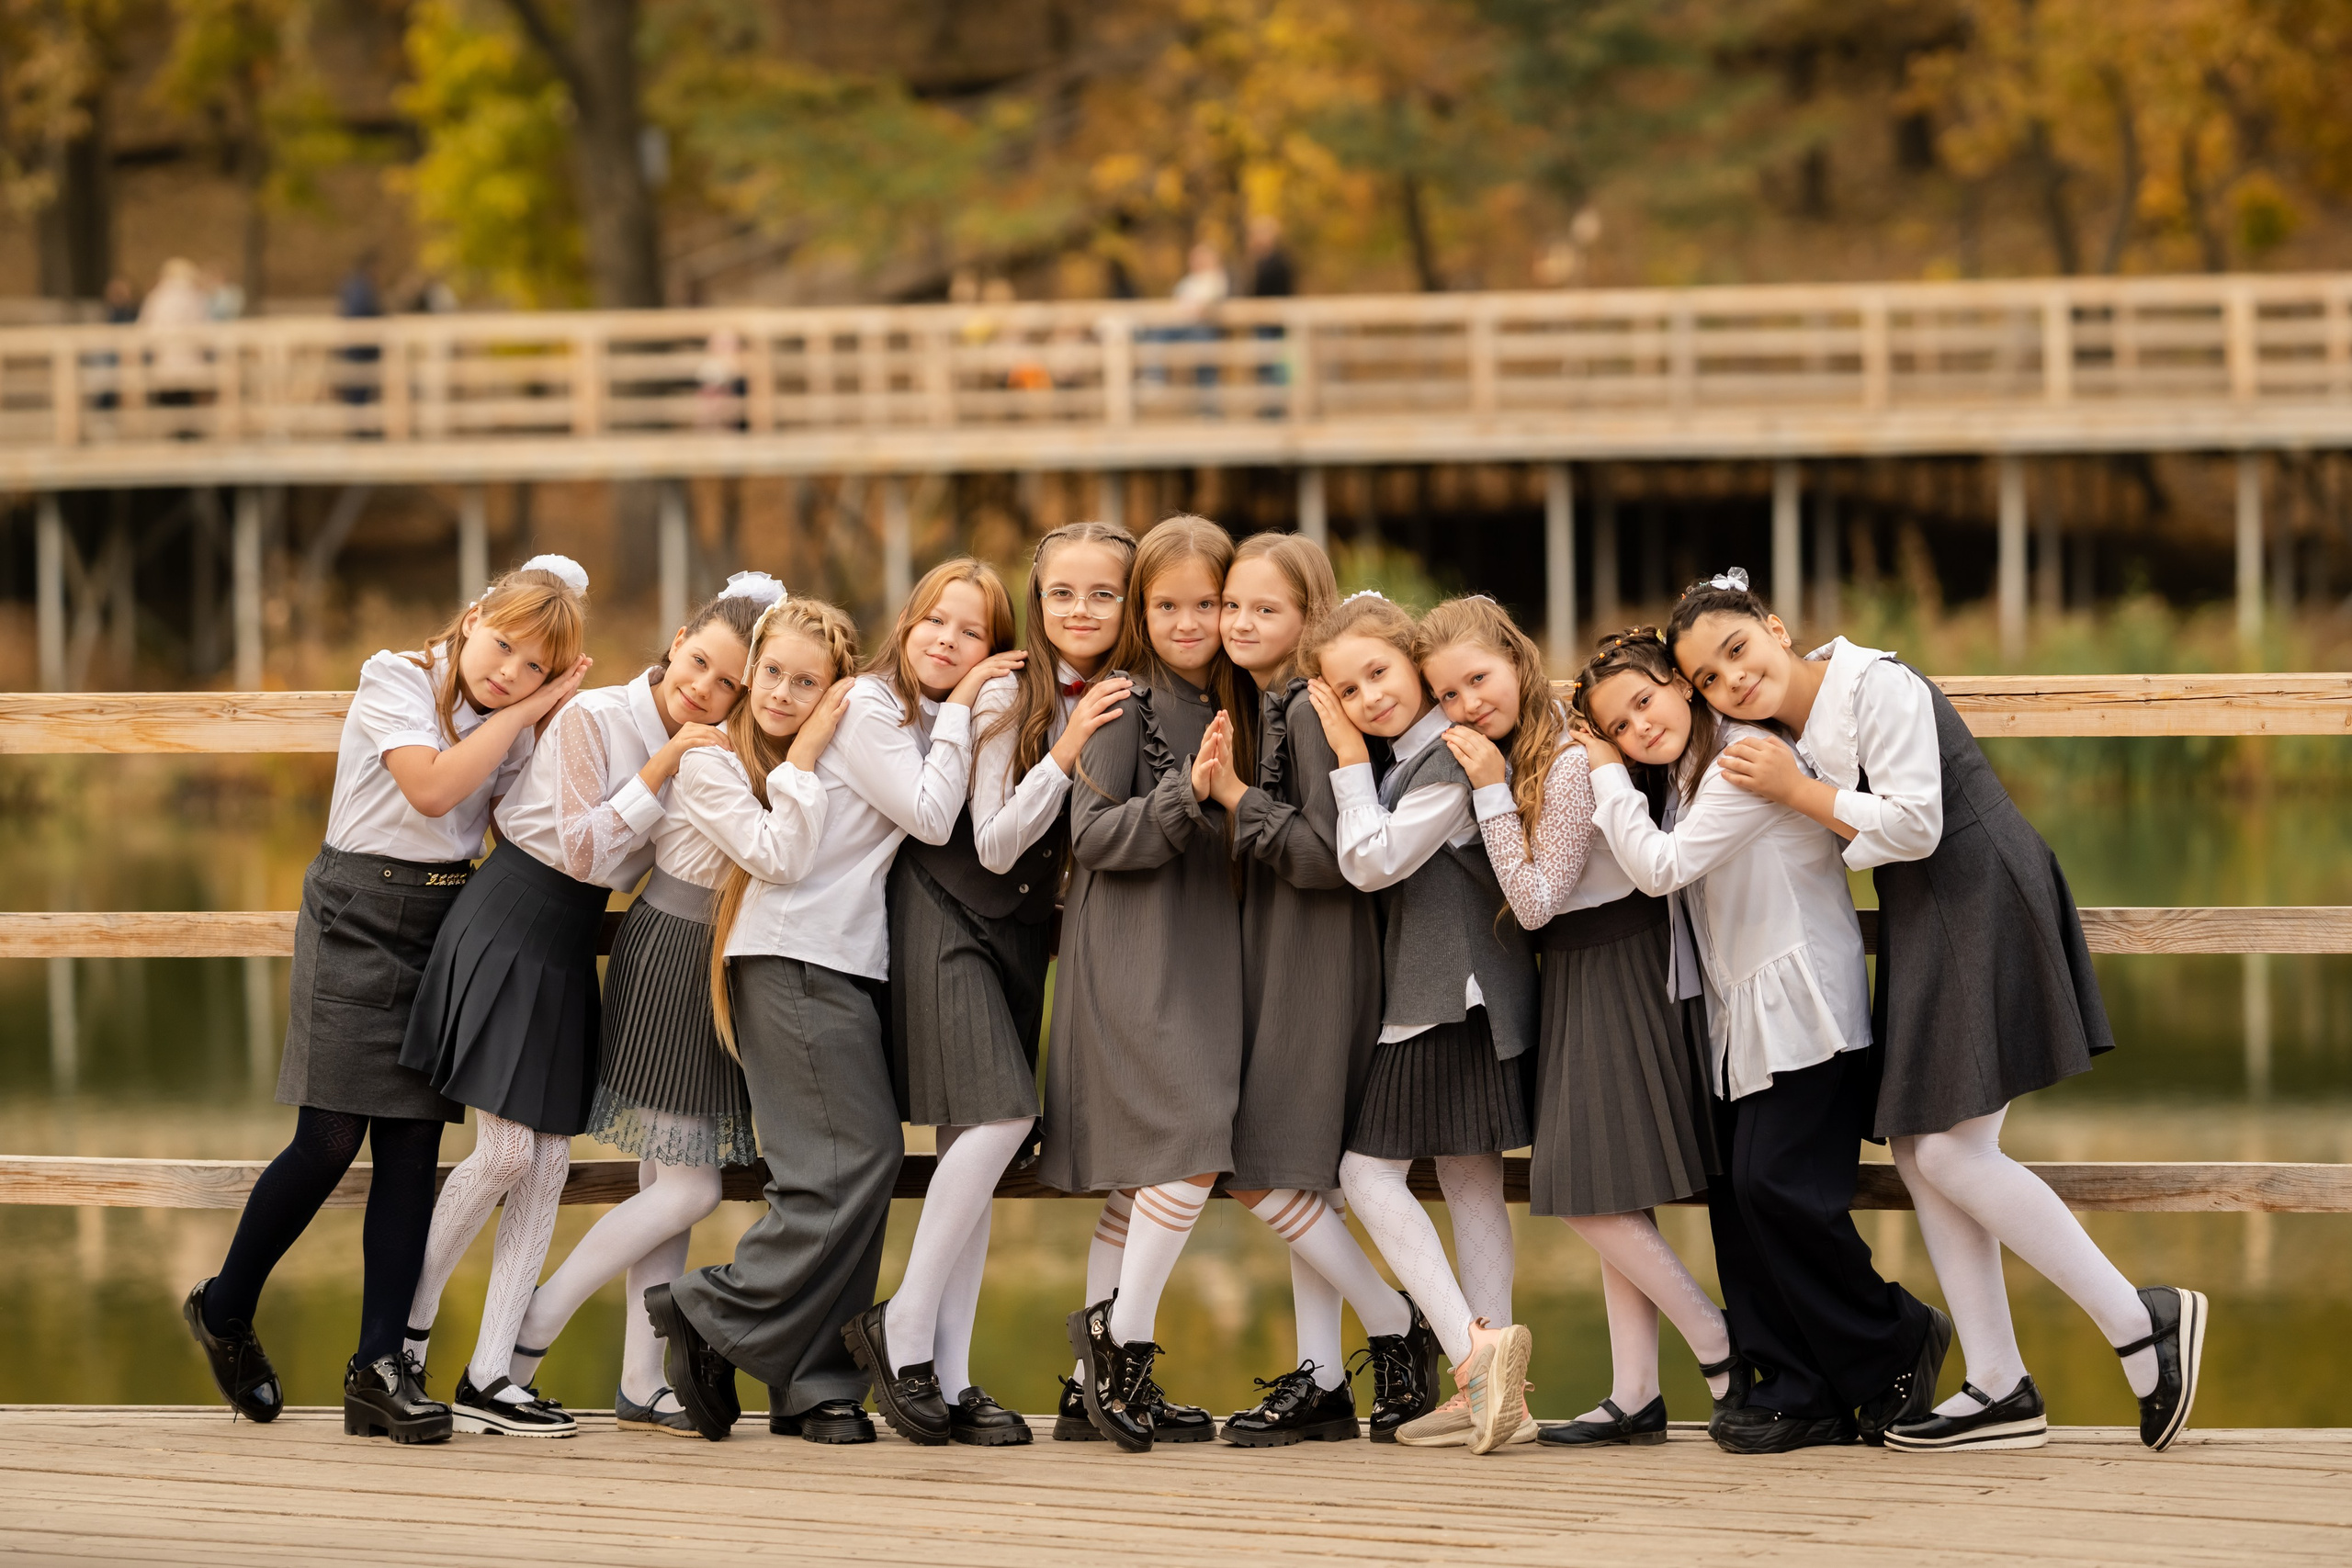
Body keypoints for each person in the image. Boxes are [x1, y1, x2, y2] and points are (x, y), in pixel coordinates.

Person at [1669, 571, 2208, 1454]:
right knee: (1923, 1152)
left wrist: (1791, 790)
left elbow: (1917, 822)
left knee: (1953, 1149)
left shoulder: (1872, 684)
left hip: (1978, 893)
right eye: (1710, 680)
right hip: (1927, 914)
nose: (1731, 682)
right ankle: (2000, 1383)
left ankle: (2140, 1320)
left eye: (1737, 651)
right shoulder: (1784, 730)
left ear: (1774, 627)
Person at [182, 559, 588, 1445]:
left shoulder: (517, 726)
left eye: (532, 667)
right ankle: (225, 1306)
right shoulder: (393, 678)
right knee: (327, 1139)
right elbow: (434, 787)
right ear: (473, 616)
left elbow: (526, 825)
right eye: (504, 644)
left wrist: (556, 730)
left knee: (412, 1148)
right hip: (356, 913)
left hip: (448, 918)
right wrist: (528, 712)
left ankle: (378, 1367)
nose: (507, 672)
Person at [646, 562, 1022, 1444]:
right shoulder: (867, 711)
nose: (948, 642)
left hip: (845, 961)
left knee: (856, 1168)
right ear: (906, 623)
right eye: (936, 620)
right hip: (791, 955)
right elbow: (932, 816)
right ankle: (707, 1307)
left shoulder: (895, 713)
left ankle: (817, 1383)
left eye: (971, 633)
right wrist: (966, 701)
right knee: (846, 1165)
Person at [1576, 611, 1948, 1456]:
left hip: (1806, 1007)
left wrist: (1601, 772)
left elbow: (1661, 867)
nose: (1639, 730)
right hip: (1745, 1013)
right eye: (1617, 729)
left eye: (1645, 703)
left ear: (1680, 684)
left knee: (1781, 1187)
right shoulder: (1683, 770)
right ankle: (1792, 1385)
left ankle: (1894, 1339)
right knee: (1739, 1199)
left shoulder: (1740, 758)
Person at [401, 573, 752, 1438]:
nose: (704, 687)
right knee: (506, 1152)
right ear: (676, 639)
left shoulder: (711, 746)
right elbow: (586, 843)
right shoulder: (599, 717)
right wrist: (665, 765)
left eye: (727, 684)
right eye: (699, 661)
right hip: (511, 915)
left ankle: (491, 1376)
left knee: (550, 1165)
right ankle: (403, 1335)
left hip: (566, 942)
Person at [501, 573, 840, 1438]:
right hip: (674, 958)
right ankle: (535, 1320)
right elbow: (779, 855)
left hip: (707, 959)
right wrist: (806, 756)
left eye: (800, 684)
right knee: (689, 1185)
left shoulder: (743, 749)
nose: (749, 693)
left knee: (665, 1174)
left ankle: (639, 1378)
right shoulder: (712, 756)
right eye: (751, 676)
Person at [1431, 604, 1739, 1449]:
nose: (1465, 703)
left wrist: (1491, 788)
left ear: (1518, 661)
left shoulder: (1566, 759)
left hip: (1617, 967)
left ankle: (1718, 1349)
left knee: (1580, 1190)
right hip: (1576, 973)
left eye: (1478, 679)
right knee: (1611, 1187)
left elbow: (1532, 902)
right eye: (1447, 694)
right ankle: (1635, 1392)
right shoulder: (1537, 748)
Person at [867, 524, 1136, 1450]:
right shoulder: (1001, 692)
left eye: (1103, 594)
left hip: (1023, 936)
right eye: (1062, 593)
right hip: (949, 910)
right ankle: (900, 1326)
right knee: (1002, 1121)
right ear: (1038, 597)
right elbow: (990, 841)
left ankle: (950, 1375)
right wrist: (1063, 757)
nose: (1081, 611)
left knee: (966, 1161)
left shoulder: (1125, 693)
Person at [1204, 534, 1437, 1448]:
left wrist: (1230, 797)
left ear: (1309, 622)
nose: (1239, 623)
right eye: (1232, 606)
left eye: (1266, 609)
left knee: (1262, 1170)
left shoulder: (1307, 707)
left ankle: (1393, 1325)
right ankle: (1322, 1375)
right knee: (1302, 1174)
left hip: (1322, 951)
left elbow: (1328, 861)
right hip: (1286, 949)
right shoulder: (1272, 703)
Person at [1306, 592, 1537, 1458]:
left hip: (1453, 992)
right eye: (1348, 690)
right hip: (1465, 990)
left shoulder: (1445, 754)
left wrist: (1343, 759)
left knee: (1367, 1174)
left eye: (1380, 672)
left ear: (1415, 664)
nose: (1369, 697)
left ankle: (1473, 1353)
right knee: (1470, 1177)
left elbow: (1373, 861)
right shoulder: (1417, 757)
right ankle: (1493, 1395)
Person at [1047, 514, 1252, 1454]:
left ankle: (1088, 1389)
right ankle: (1119, 1351)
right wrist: (1187, 796)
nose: (1185, 621)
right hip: (1135, 949)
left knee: (1142, 1183)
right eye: (1164, 605)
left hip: (1206, 949)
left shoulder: (1244, 703)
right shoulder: (1123, 702)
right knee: (1191, 1146)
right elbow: (1091, 838)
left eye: (1204, 603)